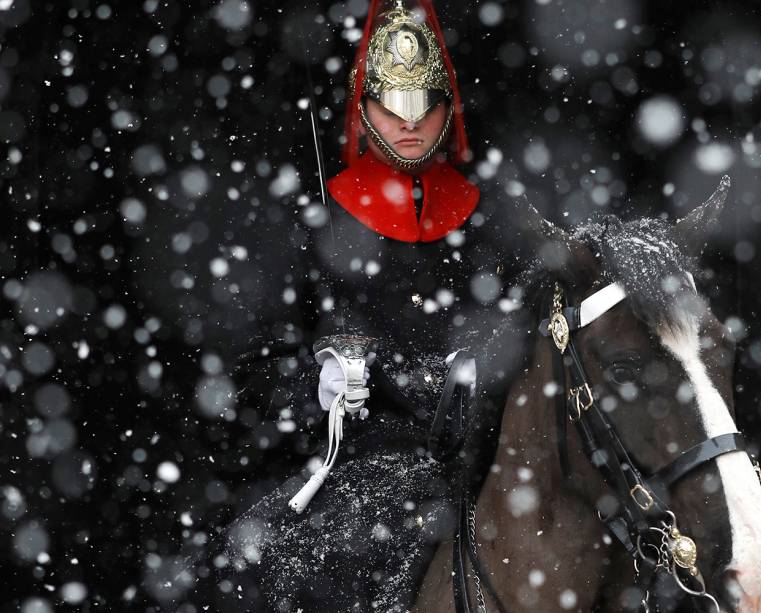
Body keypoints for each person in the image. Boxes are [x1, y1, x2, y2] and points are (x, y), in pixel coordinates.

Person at [215, 1, 533, 611]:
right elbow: (254, 368)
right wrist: (314, 387)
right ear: (365, 109)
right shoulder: (316, 223)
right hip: (361, 473)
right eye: (392, 109)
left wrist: (484, 377)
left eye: (425, 107)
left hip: (480, 463)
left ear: (449, 110)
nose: (409, 125)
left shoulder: (486, 220)